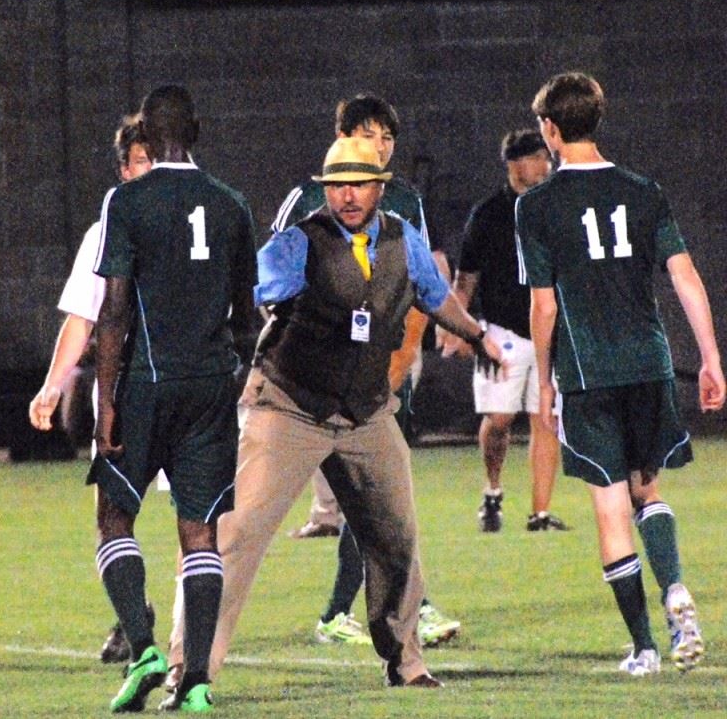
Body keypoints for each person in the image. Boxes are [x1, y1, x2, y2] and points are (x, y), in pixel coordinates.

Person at [167, 137, 503, 695]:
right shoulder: (300, 243)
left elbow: (434, 294)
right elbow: (249, 290)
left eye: (359, 184)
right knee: (235, 534)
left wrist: (475, 334)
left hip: (367, 412)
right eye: (337, 185)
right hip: (290, 406)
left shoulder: (402, 238)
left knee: (398, 537)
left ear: (380, 187)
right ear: (325, 190)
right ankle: (190, 664)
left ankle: (405, 662)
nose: (347, 195)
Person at [517, 72, 724, 676]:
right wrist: (710, 358)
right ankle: (677, 590)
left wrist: (546, 379)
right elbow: (685, 276)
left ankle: (644, 648)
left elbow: (544, 306)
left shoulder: (537, 205)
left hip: (591, 375)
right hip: (649, 366)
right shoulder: (644, 190)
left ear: (550, 130)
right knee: (648, 491)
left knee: (610, 507)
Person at [272, 93, 460, 649]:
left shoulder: (402, 201)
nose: (380, 146)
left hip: (375, 377)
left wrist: (394, 372)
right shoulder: (309, 198)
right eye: (369, 134)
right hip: (313, 383)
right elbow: (275, 281)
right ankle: (392, 608)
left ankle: (362, 610)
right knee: (367, 500)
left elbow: (417, 288)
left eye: (387, 138)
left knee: (377, 498)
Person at [91, 85, 257, 712]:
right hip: (212, 390)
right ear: (198, 130)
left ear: (148, 137)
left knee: (114, 517)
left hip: (147, 385)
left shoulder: (127, 200)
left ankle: (144, 648)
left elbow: (113, 310)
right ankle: (198, 686)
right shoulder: (233, 204)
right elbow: (248, 316)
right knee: (200, 533)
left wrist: (107, 402)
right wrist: (229, 381)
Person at [28, 116, 154, 665]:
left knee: (206, 525)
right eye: (141, 163)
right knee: (113, 517)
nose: (150, 173)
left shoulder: (200, 215)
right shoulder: (105, 231)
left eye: (158, 160)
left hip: (185, 392)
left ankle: (183, 643)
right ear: (124, 171)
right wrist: (53, 385)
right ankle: (138, 622)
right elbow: (82, 317)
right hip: (128, 395)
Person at [442, 129, 568, 533]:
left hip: (550, 331)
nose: (547, 166)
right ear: (516, 164)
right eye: (539, 158)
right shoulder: (490, 213)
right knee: (499, 419)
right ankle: (492, 491)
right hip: (503, 331)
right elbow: (465, 278)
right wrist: (459, 328)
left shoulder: (554, 207)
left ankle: (540, 513)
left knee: (545, 418)